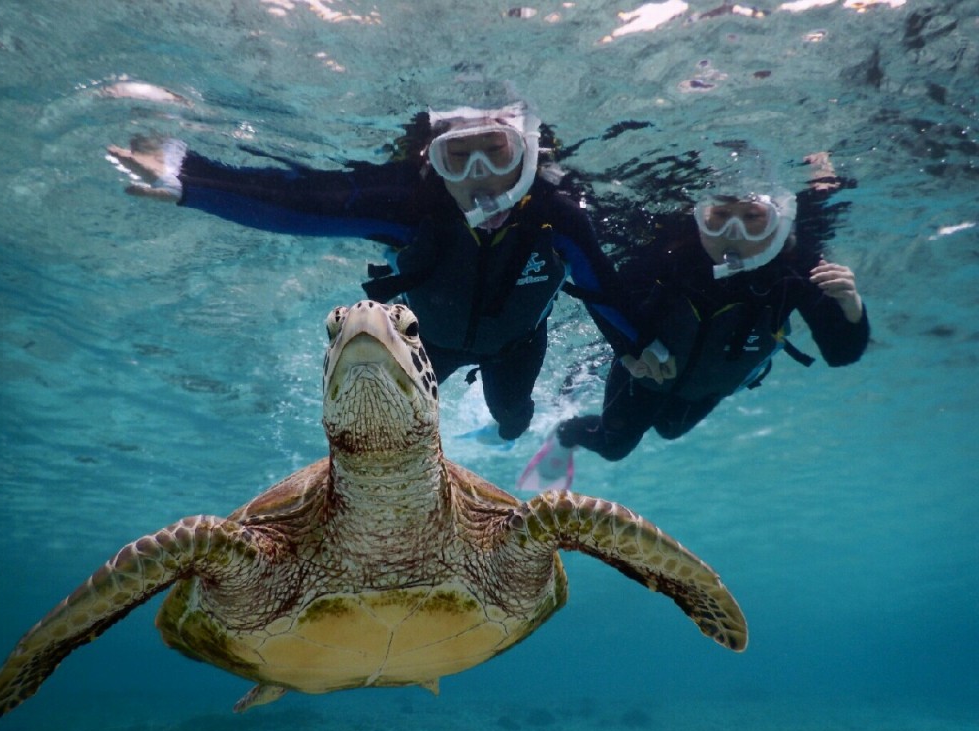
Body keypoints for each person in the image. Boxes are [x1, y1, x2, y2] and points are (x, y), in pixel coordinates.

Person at [107, 102, 616, 442]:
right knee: (396, 430)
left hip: (516, 347)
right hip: (429, 344)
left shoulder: (558, 216)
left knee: (512, 420)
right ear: (434, 163)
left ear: (526, 153)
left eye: (496, 153)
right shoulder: (413, 211)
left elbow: (604, 293)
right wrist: (190, 178)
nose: (478, 176)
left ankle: (498, 438)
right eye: (456, 159)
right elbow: (302, 206)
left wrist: (639, 349)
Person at [517, 153, 869, 490]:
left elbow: (841, 354)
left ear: (779, 220)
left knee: (670, 430)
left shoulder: (797, 266)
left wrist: (852, 307)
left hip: (711, 385)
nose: (734, 233)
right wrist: (628, 351)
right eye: (721, 215)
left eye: (752, 217)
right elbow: (603, 292)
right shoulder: (669, 251)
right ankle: (564, 436)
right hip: (647, 377)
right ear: (700, 215)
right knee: (614, 447)